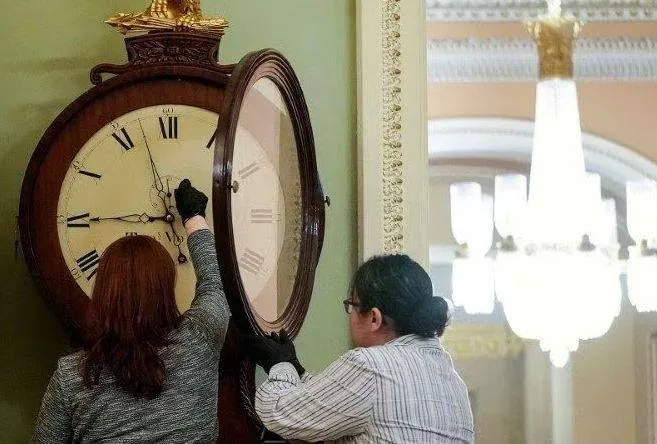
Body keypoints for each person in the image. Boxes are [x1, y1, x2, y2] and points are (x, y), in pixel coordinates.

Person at [31, 179, 229, 443]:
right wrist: (194, 217)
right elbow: (216, 282)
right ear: (165, 289)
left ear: (103, 294)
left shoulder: (72, 377)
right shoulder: (199, 339)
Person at [243, 254, 474, 443]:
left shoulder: (371, 365)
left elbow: (278, 414)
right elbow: (337, 402)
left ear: (374, 318)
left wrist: (279, 365)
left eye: (351, 305)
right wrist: (297, 370)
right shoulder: (455, 383)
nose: (350, 316)